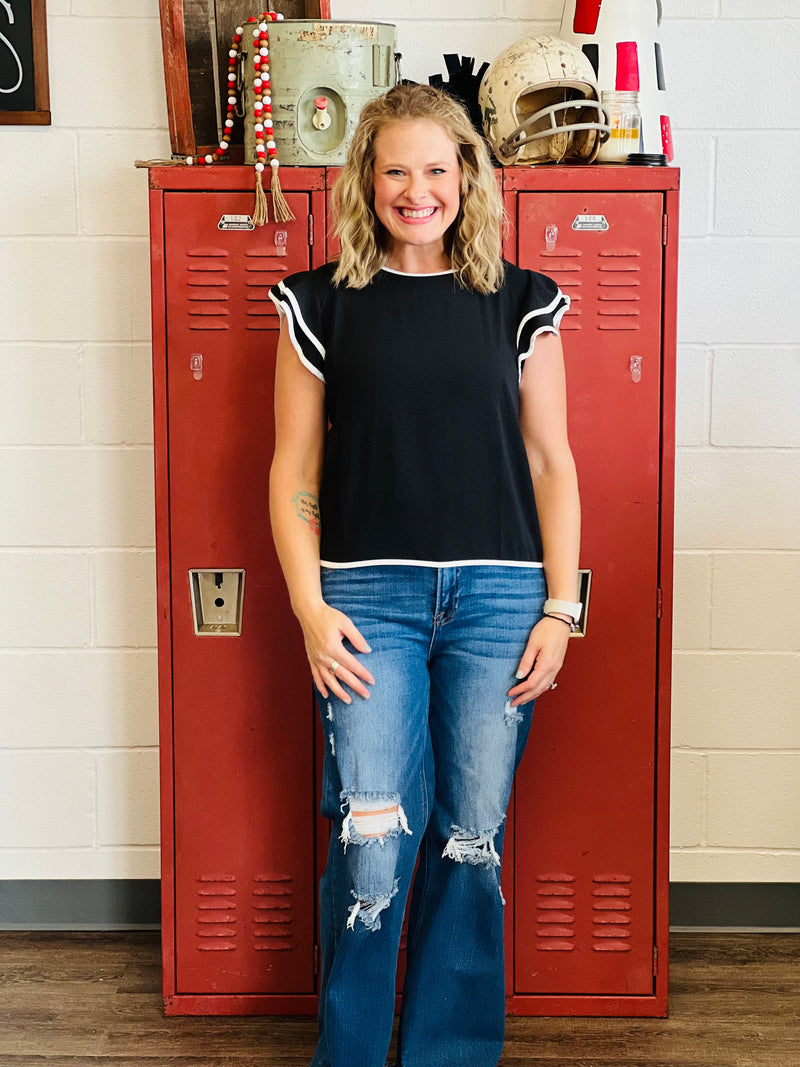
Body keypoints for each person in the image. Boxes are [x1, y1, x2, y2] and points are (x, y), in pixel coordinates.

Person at [269, 83, 581, 1067]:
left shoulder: (519, 300)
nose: (416, 189)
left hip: (497, 603)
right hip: (368, 605)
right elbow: (292, 470)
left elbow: (551, 463)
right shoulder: (319, 303)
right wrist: (308, 608)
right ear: (367, 179)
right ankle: (351, 1052)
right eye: (395, 168)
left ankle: (448, 1052)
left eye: (436, 169)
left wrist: (561, 609)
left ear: (465, 178)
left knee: (469, 839)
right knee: (371, 838)